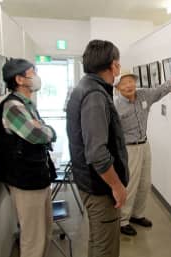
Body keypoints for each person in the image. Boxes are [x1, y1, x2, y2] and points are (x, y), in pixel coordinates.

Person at [66, 40, 129, 257]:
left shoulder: (86, 87)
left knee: (97, 242)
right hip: (99, 187)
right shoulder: (94, 95)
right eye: (118, 63)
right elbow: (97, 152)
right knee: (106, 249)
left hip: (90, 181)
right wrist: (117, 186)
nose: (119, 68)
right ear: (113, 65)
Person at [0, 58, 57, 257]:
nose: (37, 77)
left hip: (37, 178)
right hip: (25, 182)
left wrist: (44, 129)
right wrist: (49, 131)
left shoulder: (26, 104)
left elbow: (39, 132)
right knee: (33, 239)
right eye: (33, 72)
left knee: (45, 231)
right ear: (20, 79)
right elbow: (37, 135)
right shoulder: (13, 107)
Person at [115, 60, 171, 236]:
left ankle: (137, 215)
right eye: (124, 83)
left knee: (145, 183)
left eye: (131, 81)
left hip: (144, 144)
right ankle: (123, 220)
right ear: (118, 87)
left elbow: (163, 88)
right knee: (130, 185)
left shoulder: (144, 95)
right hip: (128, 149)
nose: (129, 85)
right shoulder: (115, 106)